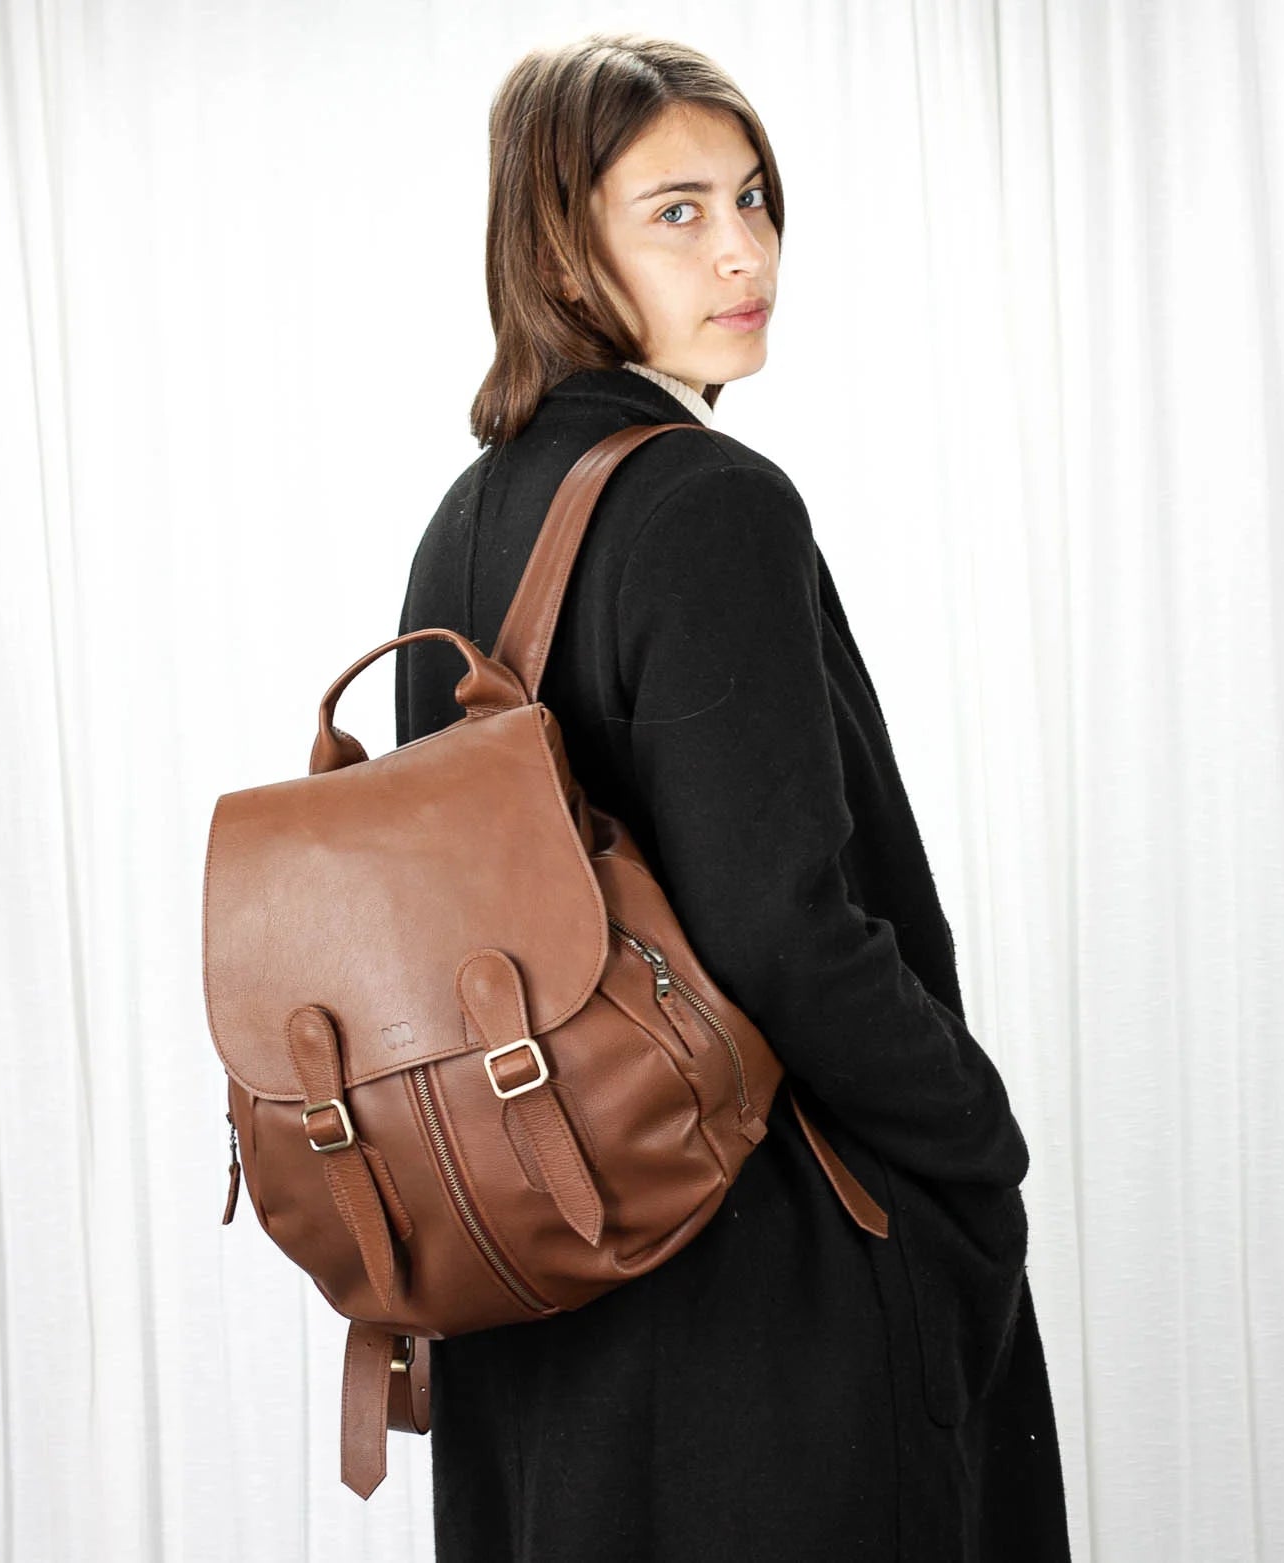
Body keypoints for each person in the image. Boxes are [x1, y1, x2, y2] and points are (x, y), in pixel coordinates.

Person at [394, 32, 1071, 1562]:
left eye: (754, 198)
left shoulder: (465, 519)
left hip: (538, 1274)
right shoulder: (707, 499)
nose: (746, 248)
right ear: (565, 247)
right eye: (679, 211)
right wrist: (972, 1138)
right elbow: (782, 924)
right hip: (754, 1289)